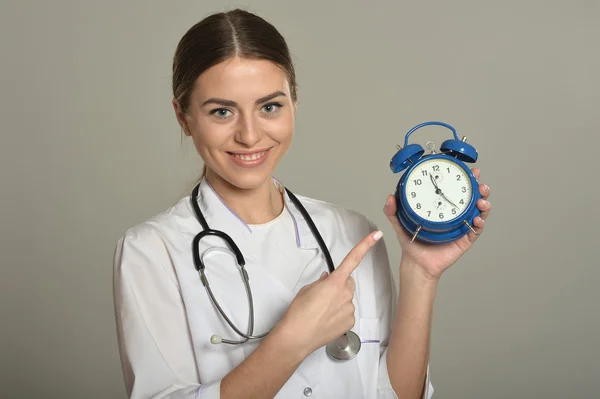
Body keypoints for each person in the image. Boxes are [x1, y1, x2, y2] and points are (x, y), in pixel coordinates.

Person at [112, 8, 492, 399]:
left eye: (269, 107)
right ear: (184, 117)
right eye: (222, 111)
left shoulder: (352, 232)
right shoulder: (151, 252)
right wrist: (292, 340)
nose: (249, 134)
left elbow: (395, 394)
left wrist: (420, 273)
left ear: (295, 102)